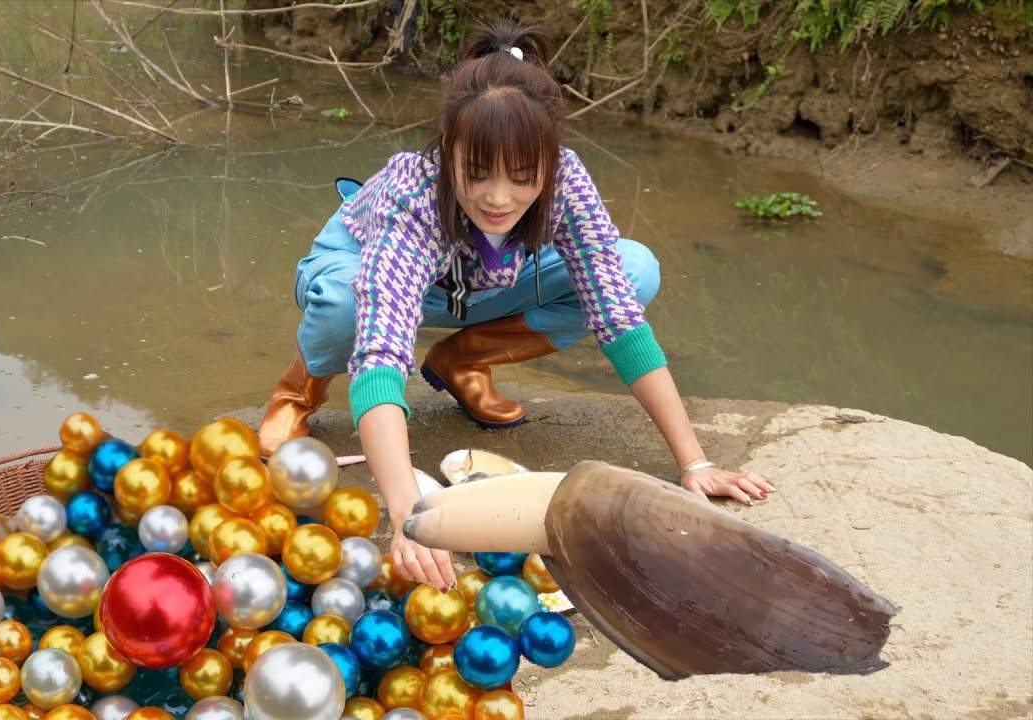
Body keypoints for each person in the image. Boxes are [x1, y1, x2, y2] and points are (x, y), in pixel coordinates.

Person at [257, 21, 774, 591]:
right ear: (446, 151)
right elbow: (380, 356)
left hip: (487, 277)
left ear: (549, 165)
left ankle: (462, 360)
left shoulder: (568, 181)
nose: (498, 198)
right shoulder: (415, 195)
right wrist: (409, 514)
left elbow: (618, 318)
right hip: (368, 265)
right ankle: (297, 390)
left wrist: (694, 462)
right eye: (476, 174)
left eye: (523, 178)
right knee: (348, 310)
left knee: (633, 271)